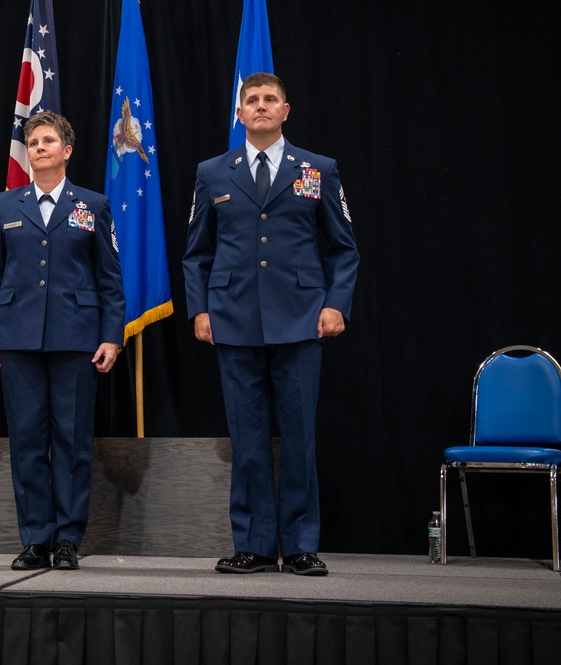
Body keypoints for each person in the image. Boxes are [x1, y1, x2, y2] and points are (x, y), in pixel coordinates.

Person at [183, 73, 359, 576]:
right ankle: (256, 545)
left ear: (286, 110)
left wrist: (336, 304)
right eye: (251, 101)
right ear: (239, 114)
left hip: (302, 319)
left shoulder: (317, 169)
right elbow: (196, 252)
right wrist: (200, 309)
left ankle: (301, 543)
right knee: (248, 438)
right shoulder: (213, 172)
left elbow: (344, 248)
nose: (260, 107)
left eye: (269, 100)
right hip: (233, 319)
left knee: (300, 436)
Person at [0, 110, 125, 571]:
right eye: (33, 143)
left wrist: (111, 337)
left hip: (76, 339)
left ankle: (67, 539)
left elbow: (109, 280)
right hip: (17, 338)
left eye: (47, 141)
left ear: (67, 150)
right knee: (26, 442)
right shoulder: (4, 205)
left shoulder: (92, 205)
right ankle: (35, 538)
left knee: (72, 441)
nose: (38, 148)